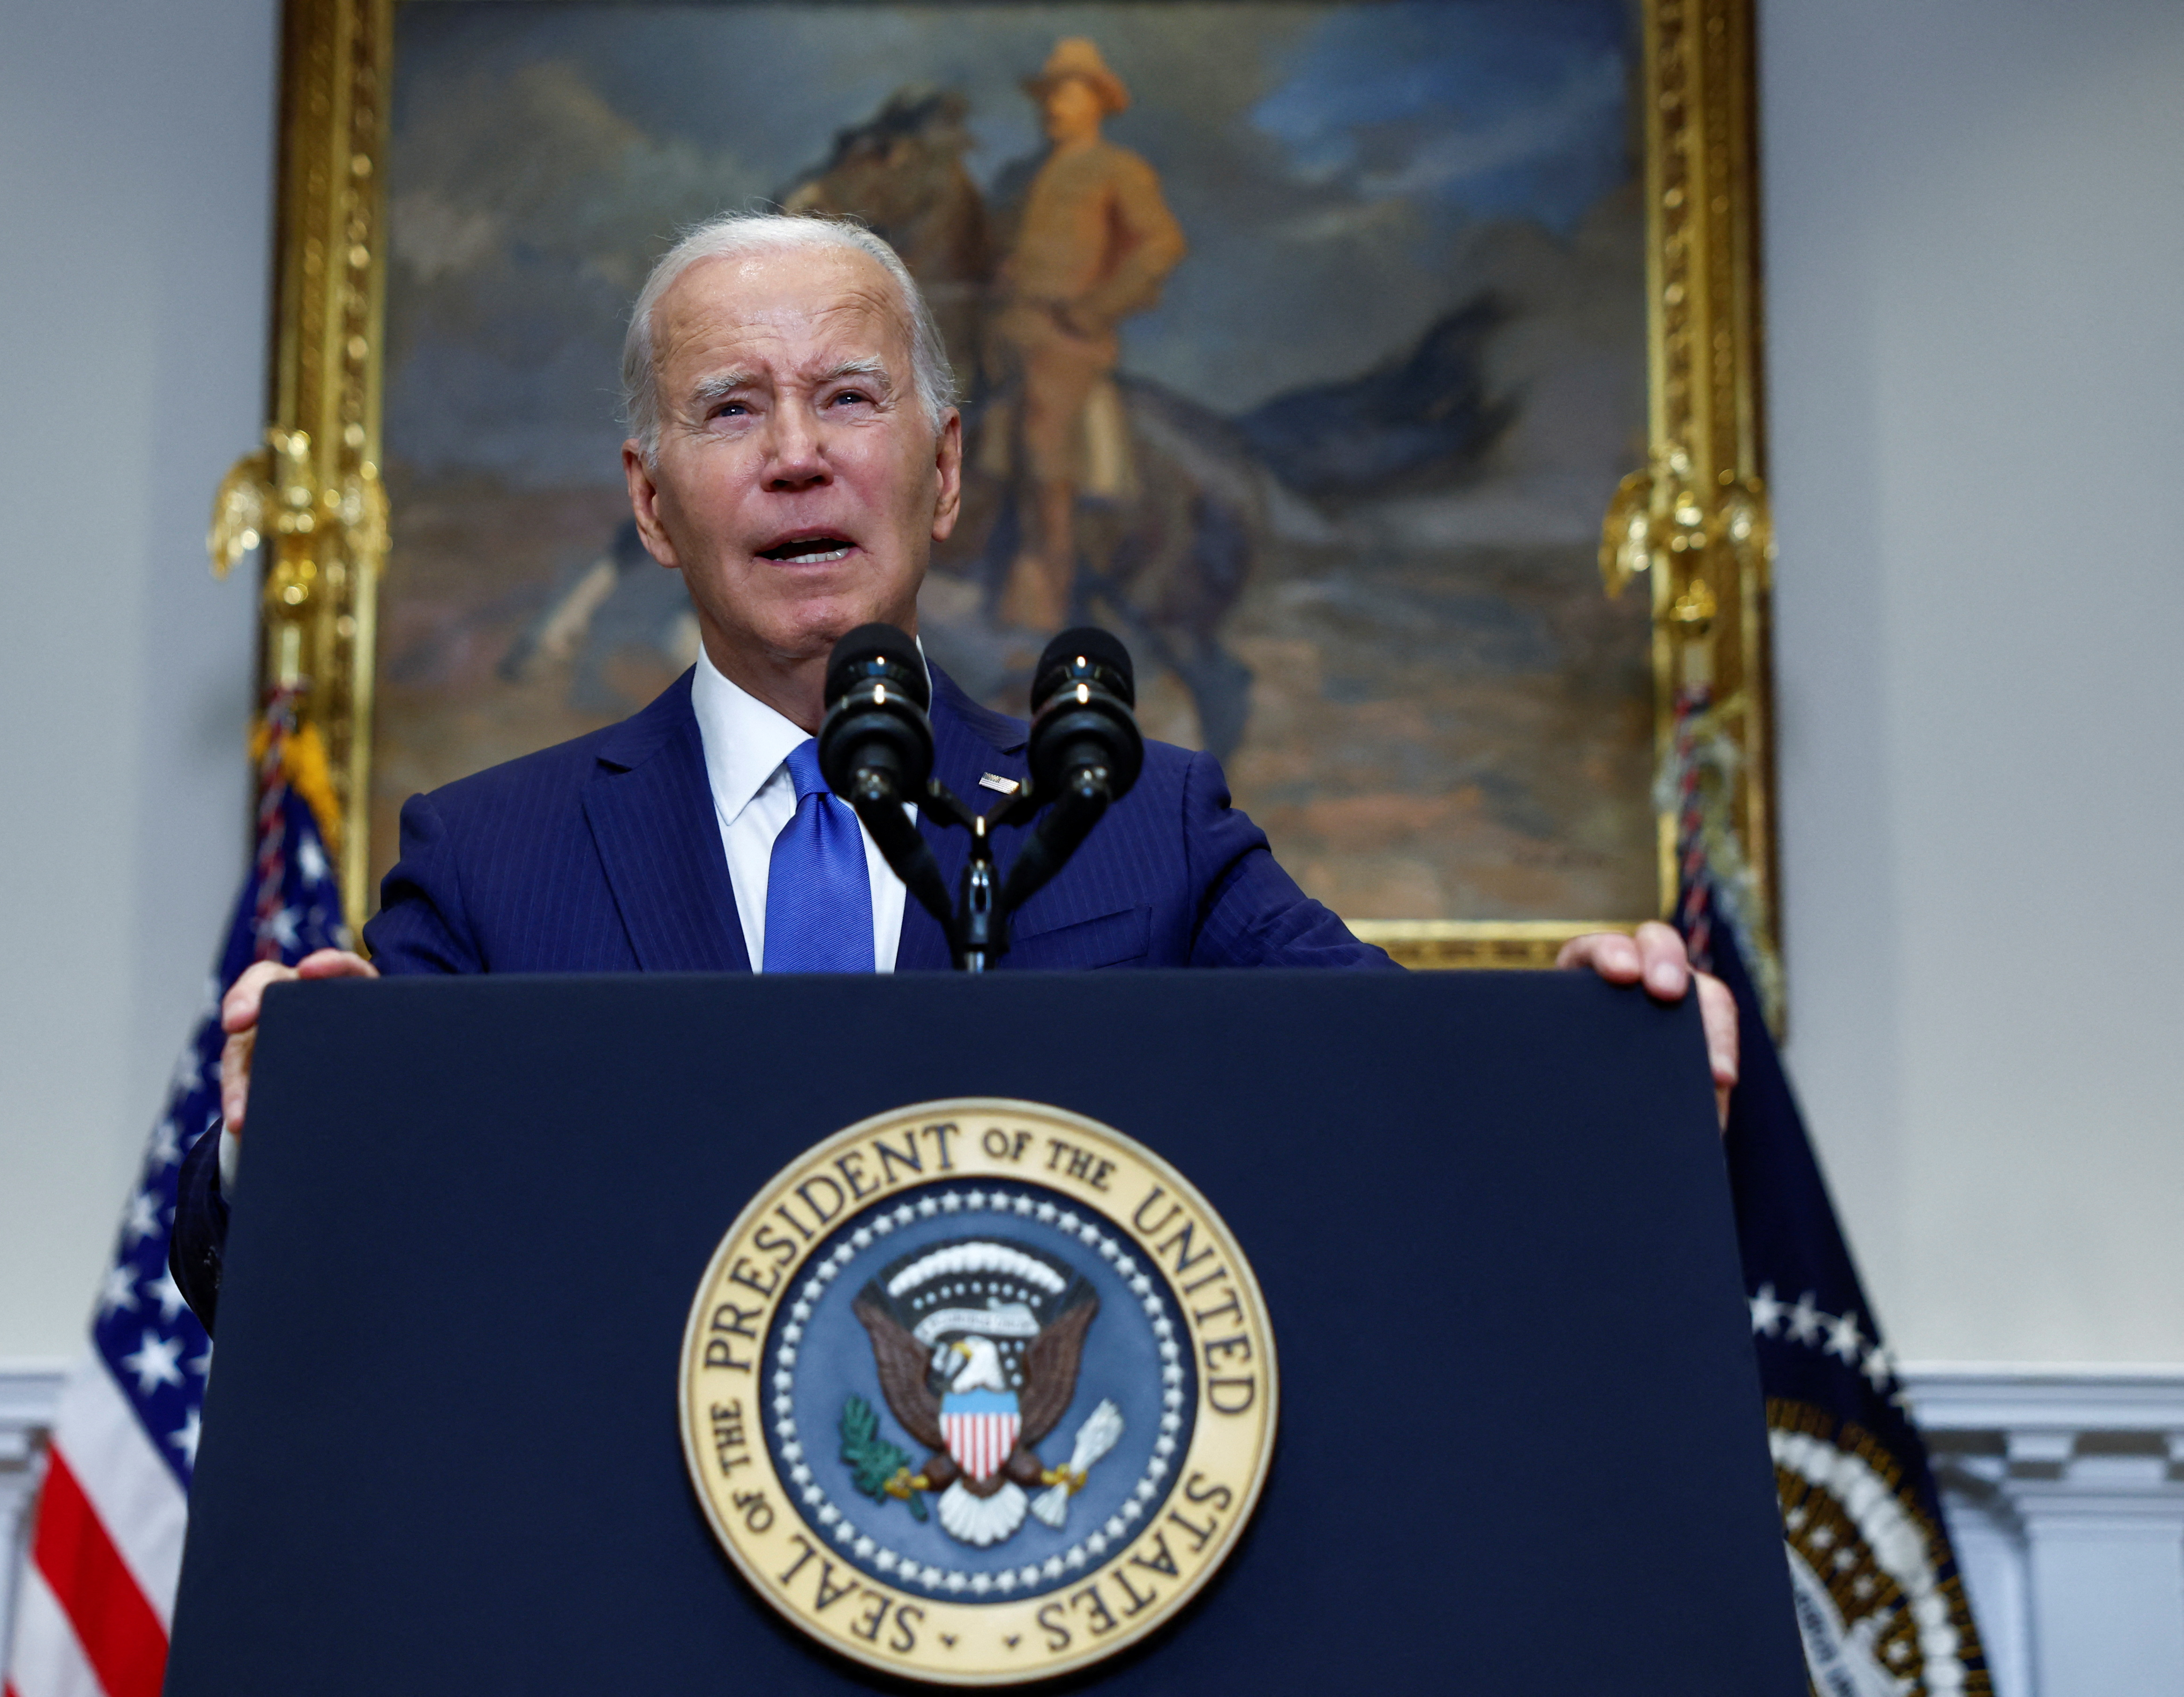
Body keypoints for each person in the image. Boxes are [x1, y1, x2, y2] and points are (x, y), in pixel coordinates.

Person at [171, 211, 1734, 1328]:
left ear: (948, 468)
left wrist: (1608, 1062)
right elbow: (277, 1273)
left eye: (849, 396)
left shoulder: (1142, 824)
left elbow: (1415, 1116)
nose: (797, 452)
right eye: (731, 409)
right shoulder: (492, 859)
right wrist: (275, 1130)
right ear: (651, 507)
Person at [988, 39, 1187, 631]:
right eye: (1049, 94)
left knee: (1042, 441)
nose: (1054, 105)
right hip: (1006, 331)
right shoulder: (1025, 177)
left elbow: (1162, 245)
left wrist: (1097, 306)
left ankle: (1045, 599)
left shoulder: (1118, 170)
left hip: (1066, 341)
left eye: (1069, 92)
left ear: (1098, 101)